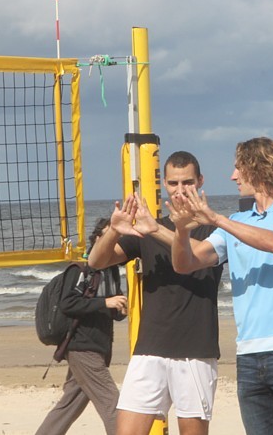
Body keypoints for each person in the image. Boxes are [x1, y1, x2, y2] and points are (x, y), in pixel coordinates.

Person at [169, 137, 273, 435]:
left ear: (259, 168)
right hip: (249, 357)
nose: (233, 176)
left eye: (238, 168)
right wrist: (179, 230)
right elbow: (185, 263)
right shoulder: (239, 220)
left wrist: (216, 219)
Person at [88, 151, 223, 435]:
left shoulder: (216, 230)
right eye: (173, 183)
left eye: (187, 181)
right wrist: (113, 230)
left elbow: (194, 255)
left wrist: (154, 230)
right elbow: (96, 261)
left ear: (200, 181)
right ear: (164, 182)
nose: (181, 189)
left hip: (195, 350)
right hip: (150, 348)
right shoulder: (151, 228)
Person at [36, 218, 128, 435]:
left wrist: (119, 310)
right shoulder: (81, 270)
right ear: (97, 239)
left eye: (118, 238)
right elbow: (68, 303)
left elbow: (107, 311)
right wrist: (105, 302)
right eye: (110, 236)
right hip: (81, 346)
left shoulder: (112, 271)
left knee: (69, 404)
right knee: (112, 404)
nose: (115, 242)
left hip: (100, 345)